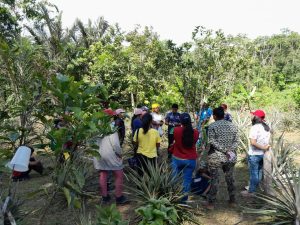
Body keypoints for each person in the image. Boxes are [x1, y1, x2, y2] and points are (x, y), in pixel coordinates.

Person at [205, 107, 239, 210]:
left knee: (215, 179)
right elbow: (236, 141)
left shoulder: (212, 126)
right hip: (230, 157)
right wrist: (229, 151)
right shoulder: (233, 126)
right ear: (223, 115)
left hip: (216, 157)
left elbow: (211, 141)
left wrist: (224, 150)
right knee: (230, 178)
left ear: (214, 116)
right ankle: (232, 201)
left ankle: (211, 203)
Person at [93, 108, 128, 205]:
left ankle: (105, 197)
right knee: (119, 174)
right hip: (110, 154)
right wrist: (119, 154)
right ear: (110, 117)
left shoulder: (95, 127)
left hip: (98, 154)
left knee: (103, 174)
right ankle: (119, 197)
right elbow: (116, 144)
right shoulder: (111, 128)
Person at [241, 110, 271, 197]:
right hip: (263, 154)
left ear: (256, 117)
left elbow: (253, 142)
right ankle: (255, 189)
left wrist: (263, 147)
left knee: (253, 173)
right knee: (259, 172)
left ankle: (251, 192)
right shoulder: (266, 127)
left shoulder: (255, 128)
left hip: (255, 154)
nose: (252, 116)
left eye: (253, 115)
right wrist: (264, 148)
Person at [170, 113, 199, 202]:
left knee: (175, 179)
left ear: (181, 121)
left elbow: (173, 139)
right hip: (190, 160)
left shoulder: (176, 130)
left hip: (177, 159)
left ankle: (174, 199)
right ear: (190, 121)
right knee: (186, 181)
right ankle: (183, 202)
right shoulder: (196, 132)